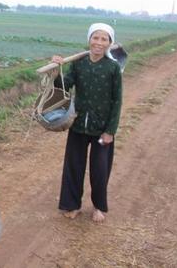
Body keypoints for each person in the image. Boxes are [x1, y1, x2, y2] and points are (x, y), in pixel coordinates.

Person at [51, 23, 123, 223]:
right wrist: (57, 69)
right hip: (78, 125)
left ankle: (99, 206)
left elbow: (117, 101)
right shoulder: (79, 63)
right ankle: (72, 205)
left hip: (102, 131)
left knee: (100, 169)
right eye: (95, 38)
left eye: (104, 39)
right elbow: (64, 87)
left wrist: (110, 130)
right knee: (74, 166)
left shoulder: (113, 68)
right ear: (89, 39)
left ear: (109, 43)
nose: (99, 43)